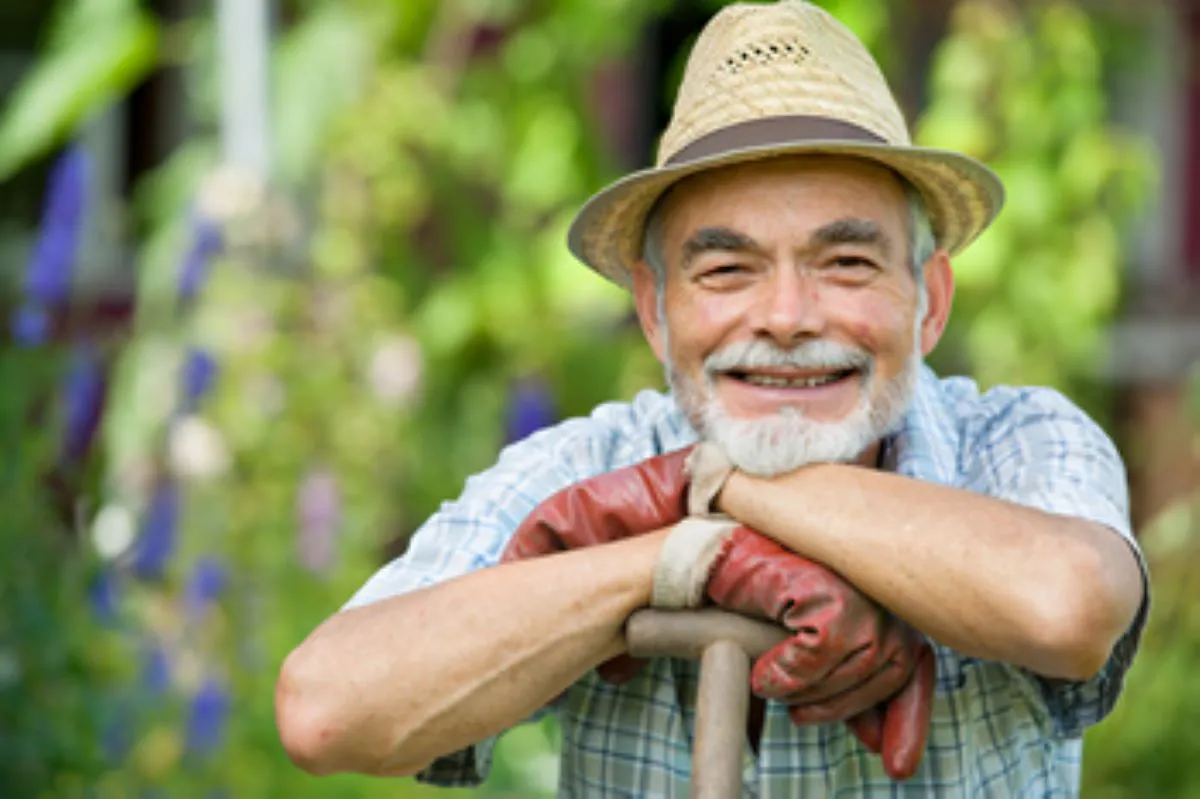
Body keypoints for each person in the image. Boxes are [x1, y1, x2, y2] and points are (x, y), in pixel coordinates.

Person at [274, 1, 1150, 796]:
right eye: (727, 269)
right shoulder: (588, 460)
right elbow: (327, 707)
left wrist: (715, 481)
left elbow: (1068, 606)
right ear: (656, 313)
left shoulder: (1015, 438)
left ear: (930, 302)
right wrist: (678, 556)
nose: (785, 317)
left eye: (845, 262)